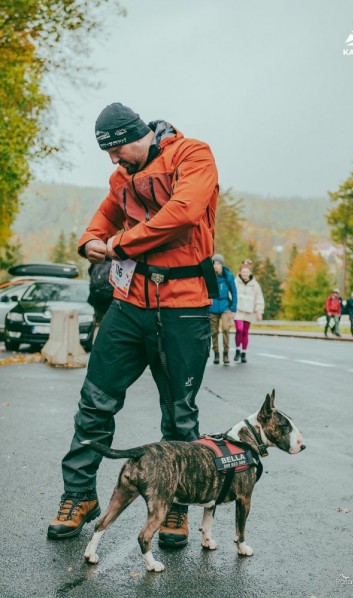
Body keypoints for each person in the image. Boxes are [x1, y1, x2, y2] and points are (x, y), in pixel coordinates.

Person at [47, 103, 219, 548]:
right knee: (95, 403)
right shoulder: (120, 179)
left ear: (136, 134)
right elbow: (100, 219)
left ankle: (176, 509)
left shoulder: (193, 155)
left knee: (179, 415)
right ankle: (79, 496)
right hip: (128, 307)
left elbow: (182, 213)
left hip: (183, 308)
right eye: (107, 153)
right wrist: (88, 241)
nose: (113, 159)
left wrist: (119, 243)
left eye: (116, 148)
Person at [209, 254, 237, 365]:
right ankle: (216, 353)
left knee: (226, 329)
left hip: (226, 306)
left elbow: (234, 292)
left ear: (222, 264)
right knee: (214, 332)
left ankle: (225, 353)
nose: (216, 266)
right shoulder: (210, 276)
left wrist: (233, 308)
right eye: (214, 264)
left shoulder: (228, 276)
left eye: (218, 264)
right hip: (212, 307)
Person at [233, 263, 265, 363]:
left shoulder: (255, 285)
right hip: (238, 311)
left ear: (250, 273)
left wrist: (259, 311)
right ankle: (237, 349)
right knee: (239, 329)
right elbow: (231, 294)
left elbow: (259, 298)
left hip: (249, 312)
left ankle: (243, 353)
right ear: (240, 273)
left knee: (245, 332)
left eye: (247, 272)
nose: (245, 274)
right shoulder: (235, 282)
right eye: (243, 272)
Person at [87, 258, 114, 325]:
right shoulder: (117, 259)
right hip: (111, 296)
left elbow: (90, 271)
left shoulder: (98, 259)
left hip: (96, 296)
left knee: (98, 320)